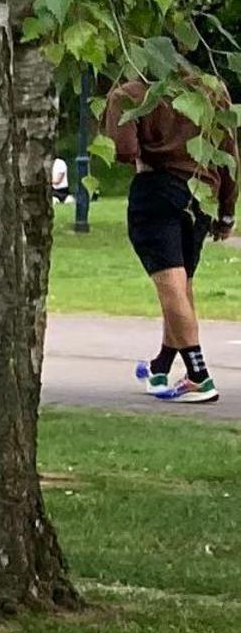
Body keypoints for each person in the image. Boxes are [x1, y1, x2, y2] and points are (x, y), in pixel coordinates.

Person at [102, 73, 237, 403]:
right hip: (202, 190)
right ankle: (160, 366)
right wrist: (227, 210)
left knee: (170, 285)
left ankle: (198, 375)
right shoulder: (210, 90)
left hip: (157, 189)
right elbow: (229, 151)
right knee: (182, 283)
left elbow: (124, 149)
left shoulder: (131, 93)